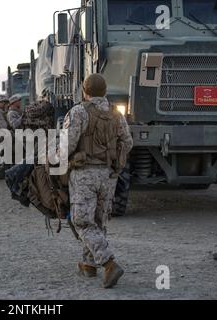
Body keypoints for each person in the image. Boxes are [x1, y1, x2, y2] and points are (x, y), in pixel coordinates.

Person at [64, 74, 133, 289]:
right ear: (105, 92)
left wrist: (57, 159)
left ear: (85, 91)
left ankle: (109, 263)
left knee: (82, 221)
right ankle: (88, 264)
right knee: (98, 220)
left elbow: (67, 144)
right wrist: (115, 160)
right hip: (109, 175)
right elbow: (128, 142)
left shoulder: (78, 112)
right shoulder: (116, 114)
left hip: (85, 174)